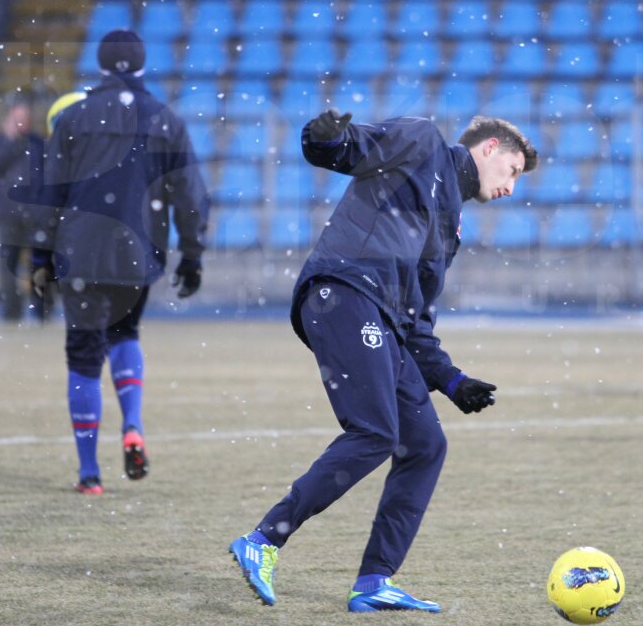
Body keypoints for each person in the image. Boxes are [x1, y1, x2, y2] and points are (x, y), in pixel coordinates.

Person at [229, 111, 538, 612]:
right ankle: (263, 540)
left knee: (424, 444)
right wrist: (324, 133)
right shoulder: (421, 141)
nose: (511, 186)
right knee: (374, 431)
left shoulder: (449, 229)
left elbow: (416, 320)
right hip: (344, 291)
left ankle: (373, 582)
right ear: (489, 149)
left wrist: (452, 380)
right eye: (513, 170)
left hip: (383, 320)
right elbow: (343, 148)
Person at [33, 30, 209, 495]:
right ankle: (133, 424)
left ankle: (90, 474)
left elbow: (49, 193)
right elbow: (190, 194)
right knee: (125, 333)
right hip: (137, 252)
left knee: (84, 356)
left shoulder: (74, 118)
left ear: (102, 65)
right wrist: (192, 254)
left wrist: (39, 256)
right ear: (143, 64)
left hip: (80, 252)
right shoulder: (165, 119)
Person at [0, 95, 49, 322]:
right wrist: (12, 142)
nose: (22, 123)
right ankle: (12, 311)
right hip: (8, 215)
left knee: (40, 264)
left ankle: (42, 310)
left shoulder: (38, 143)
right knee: (8, 265)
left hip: (35, 214)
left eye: (25, 118)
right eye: (18, 118)